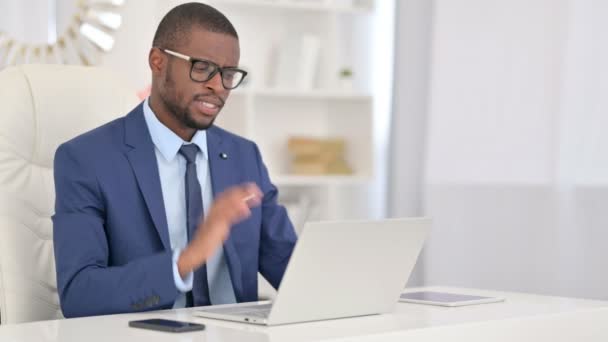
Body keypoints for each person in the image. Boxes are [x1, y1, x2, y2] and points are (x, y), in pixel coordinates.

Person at [52, 2, 297, 318]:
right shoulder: (86, 160)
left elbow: (292, 268)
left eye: (228, 73)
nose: (218, 86)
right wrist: (189, 257)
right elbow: (80, 295)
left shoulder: (243, 156)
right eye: (202, 68)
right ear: (157, 62)